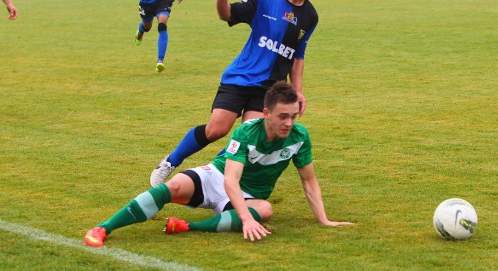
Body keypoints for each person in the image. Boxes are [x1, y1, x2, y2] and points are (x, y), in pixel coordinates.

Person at [84, 82, 352, 247]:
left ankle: (187, 226)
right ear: (267, 113)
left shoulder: (299, 137)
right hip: (217, 177)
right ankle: (103, 228)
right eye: (283, 116)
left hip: (247, 195)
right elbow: (230, 180)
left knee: (266, 209)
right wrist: (245, 219)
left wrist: (324, 220)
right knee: (173, 186)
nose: (289, 123)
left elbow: (309, 180)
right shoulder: (246, 132)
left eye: (293, 116)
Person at [149, 0, 321, 187]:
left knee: (248, 140)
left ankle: (209, 174)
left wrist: (298, 91)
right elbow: (227, 15)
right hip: (240, 77)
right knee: (216, 130)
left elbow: (298, 56)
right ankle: (170, 161)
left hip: (268, 90)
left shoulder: (310, 16)